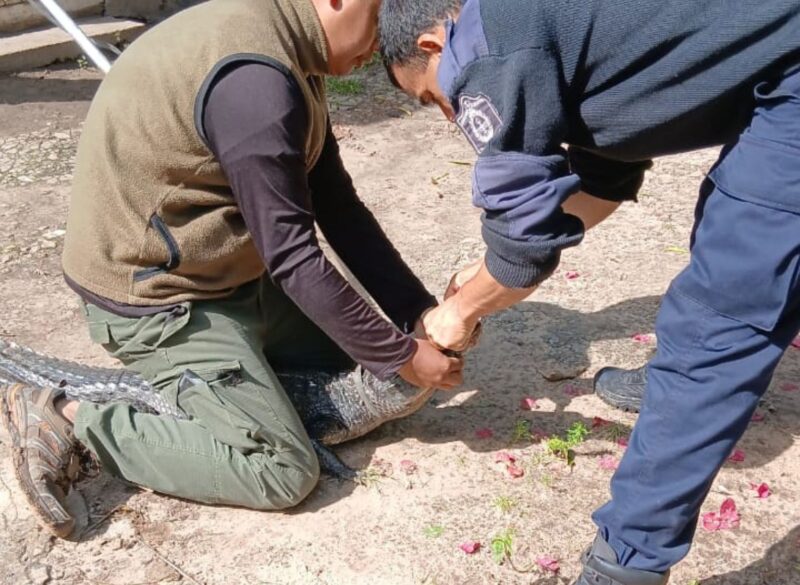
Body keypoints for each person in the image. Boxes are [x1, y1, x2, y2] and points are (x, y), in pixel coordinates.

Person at [0, 0, 465, 540]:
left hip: (230, 273)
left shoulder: (297, 53)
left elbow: (336, 206)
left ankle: (220, 400)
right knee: (283, 470)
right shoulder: (254, 80)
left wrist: (416, 314)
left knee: (350, 381)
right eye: (383, 12)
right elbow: (293, 255)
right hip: (160, 300)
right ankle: (71, 416)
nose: (387, 37)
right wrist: (400, 355)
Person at [378, 0, 800, 583]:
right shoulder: (542, 30)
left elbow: (524, 244)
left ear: (431, 46)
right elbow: (603, 180)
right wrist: (487, 271)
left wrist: (458, 312)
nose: (451, 116)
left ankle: (626, 564)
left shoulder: (483, 46)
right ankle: (670, 395)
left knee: (721, 316)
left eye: (432, 97)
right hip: (778, 60)